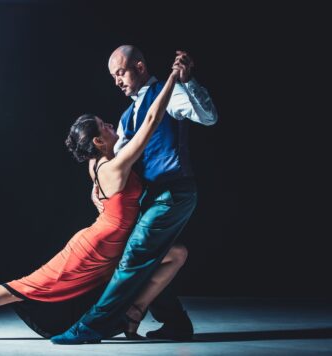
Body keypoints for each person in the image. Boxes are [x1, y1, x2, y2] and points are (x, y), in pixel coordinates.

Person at [0, 64, 185, 341]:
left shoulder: (95, 162)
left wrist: (103, 205)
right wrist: (173, 79)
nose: (110, 125)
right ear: (97, 140)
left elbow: (97, 194)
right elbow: (152, 120)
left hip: (114, 242)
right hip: (93, 250)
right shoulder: (116, 167)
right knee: (23, 287)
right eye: (105, 126)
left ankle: (134, 313)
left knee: (176, 254)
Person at [51, 46, 218, 344]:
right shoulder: (127, 116)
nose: (116, 81)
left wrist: (188, 82)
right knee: (149, 257)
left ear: (139, 67)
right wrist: (96, 184)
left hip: (173, 190)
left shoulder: (170, 93)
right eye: (112, 76)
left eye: (120, 72)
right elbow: (114, 157)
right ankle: (175, 322)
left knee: (135, 256)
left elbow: (208, 117)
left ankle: (92, 326)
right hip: (150, 197)